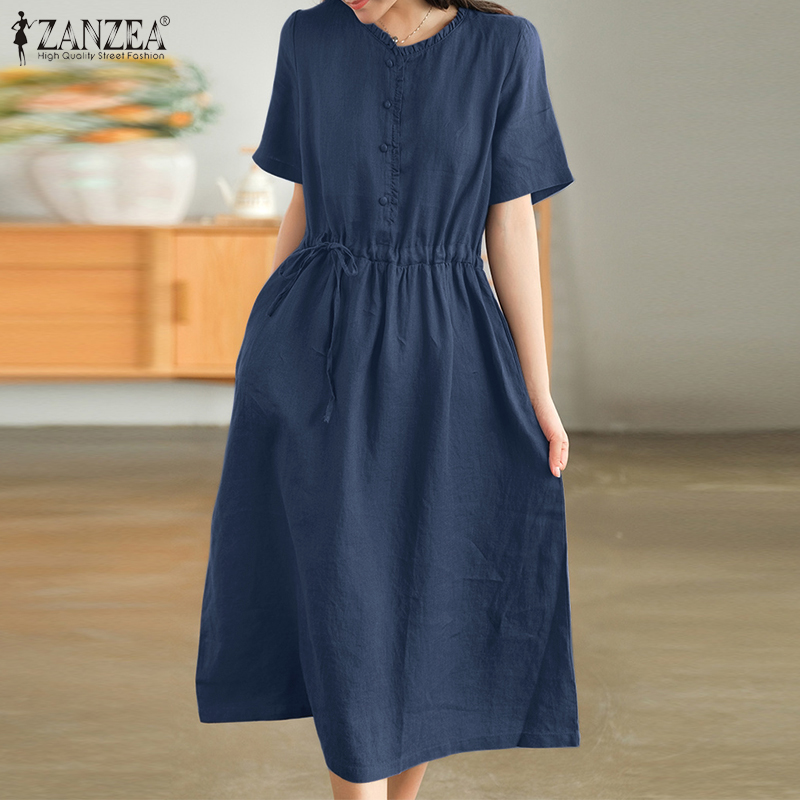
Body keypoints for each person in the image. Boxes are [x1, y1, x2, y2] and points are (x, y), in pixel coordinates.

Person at [195, 0, 580, 798]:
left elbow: (511, 223)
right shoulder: (310, 36)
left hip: (451, 347)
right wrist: (263, 345)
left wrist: (537, 390)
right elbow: (302, 203)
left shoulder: (507, 46)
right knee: (345, 587)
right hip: (319, 341)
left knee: (426, 582)